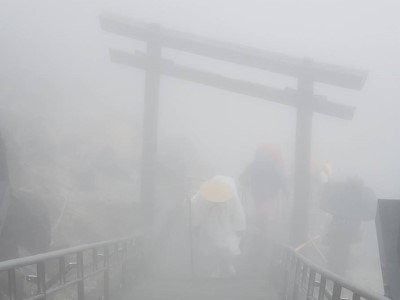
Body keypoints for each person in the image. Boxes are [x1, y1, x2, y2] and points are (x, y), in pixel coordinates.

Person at [190, 176, 245, 277]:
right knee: (220, 247)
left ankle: (222, 266)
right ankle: (220, 267)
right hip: (215, 227)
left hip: (221, 227)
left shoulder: (230, 196)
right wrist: (239, 227)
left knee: (224, 247)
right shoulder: (203, 196)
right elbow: (238, 212)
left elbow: (194, 207)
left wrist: (196, 225)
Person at [240, 144, 287, 237]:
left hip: (256, 191)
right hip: (269, 192)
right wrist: (285, 190)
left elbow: (242, 177)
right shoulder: (271, 165)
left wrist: (246, 183)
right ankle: (263, 227)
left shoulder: (253, 164)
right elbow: (278, 179)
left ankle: (260, 226)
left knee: (258, 207)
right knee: (265, 209)